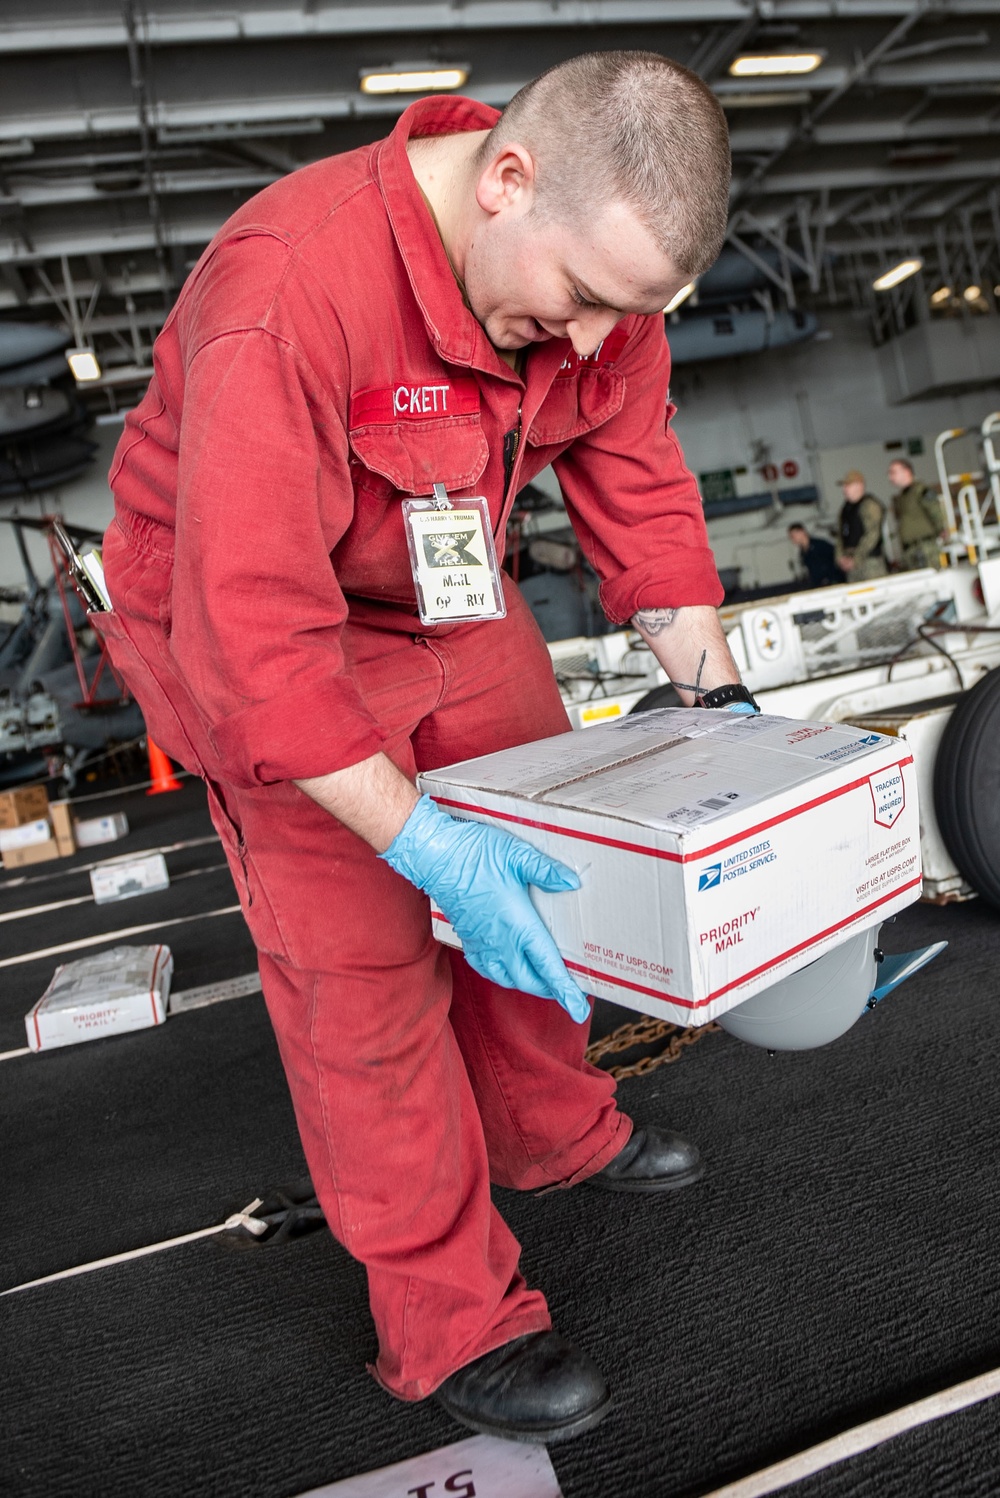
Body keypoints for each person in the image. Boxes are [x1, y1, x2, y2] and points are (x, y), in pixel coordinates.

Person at [96, 52, 757, 1445]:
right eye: (578, 301)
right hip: (246, 621)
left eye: (625, 316)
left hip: (443, 595)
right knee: (365, 976)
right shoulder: (288, 288)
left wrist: (721, 702)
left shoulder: (592, 286)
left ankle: (554, 1128)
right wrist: (416, 835)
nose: (584, 344)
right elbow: (254, 638)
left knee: (554, 859)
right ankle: (451, 1317)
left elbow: (639, 485)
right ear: (506, 181)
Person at [888, 457, 944, 570]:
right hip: (911, 550)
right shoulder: (903, 496)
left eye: (893, 472)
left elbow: (936, 513)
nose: (890, 477)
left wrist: (939, 531)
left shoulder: (920, 490)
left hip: (924, 547)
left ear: (906, 471)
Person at [835, 470, 887, 581]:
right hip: (851, 563)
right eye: (844, 486)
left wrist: (856, 558)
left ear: (860, 486)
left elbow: (872, 534)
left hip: (869, 562)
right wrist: (840, 557)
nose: (844, 489)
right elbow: (840, 536)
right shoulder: (845, 509)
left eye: (848, 485)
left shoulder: (869, 505)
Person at [787, 522, 845, 588]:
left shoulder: (820, 545)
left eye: (793, 536)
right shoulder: (802, 553)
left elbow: (837, 556)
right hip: (820, 585)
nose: (792, 539)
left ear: (802, 532)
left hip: (834, 582)